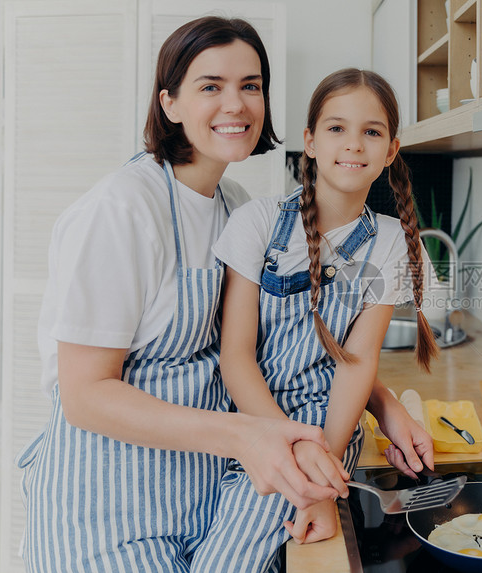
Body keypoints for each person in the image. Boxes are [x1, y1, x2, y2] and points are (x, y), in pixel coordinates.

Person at [16, 18, 431, 572]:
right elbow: (85, 394)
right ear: (170, 103)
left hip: (203, 489)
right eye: (211, 86)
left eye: (251, 85)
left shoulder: (235, 206)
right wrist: (253, 436)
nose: (235, 104)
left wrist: (383, 406)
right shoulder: (120, 211)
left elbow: (291, 337)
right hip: (108, 503)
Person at [190, 68, 438, 572]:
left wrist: (317, 469)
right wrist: (288, 453)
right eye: (336, 128)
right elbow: (236, 357)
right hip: (244, 421)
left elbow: (356, 363)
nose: (353, 144)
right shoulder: (257, 222)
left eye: (372, 131)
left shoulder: (391, 243)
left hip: (327, 429)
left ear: (391, 150)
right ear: (309, 141)